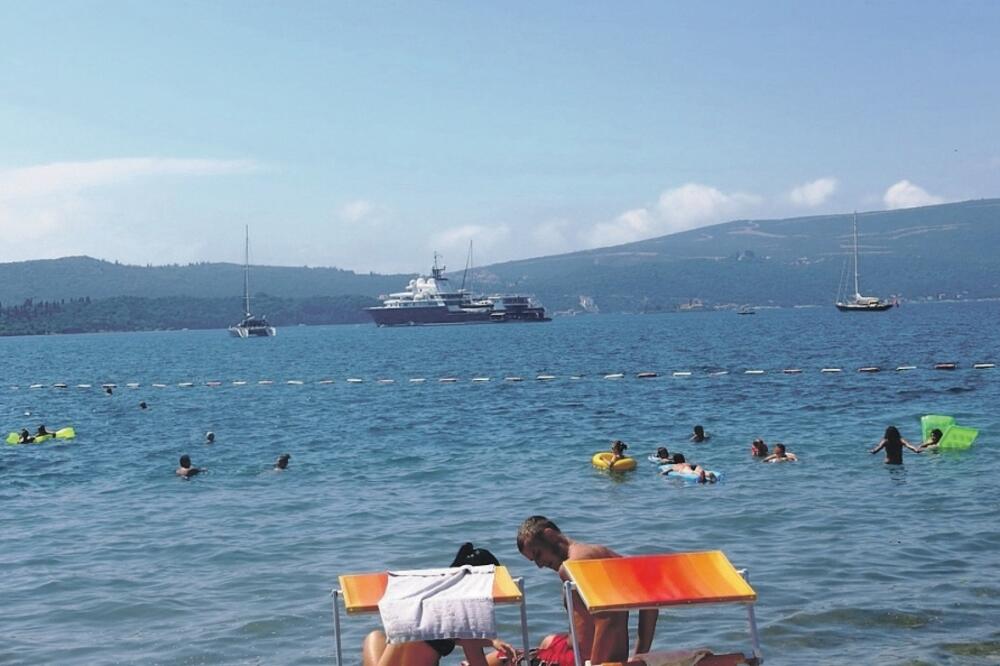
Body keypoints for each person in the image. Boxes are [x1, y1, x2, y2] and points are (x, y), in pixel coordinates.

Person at [516, 516, 657, 665]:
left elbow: (607, 617)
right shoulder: (604, 553)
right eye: (534, 561)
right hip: (579, 648)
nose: (539, 565)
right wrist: (641, 655)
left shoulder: (570, 567)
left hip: (583, 658)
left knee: (509, 660)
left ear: (550, 535)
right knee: (548, 641)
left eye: (538, 554)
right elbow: (651, 598)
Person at [361, 543, 517, 666]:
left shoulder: (428, 597)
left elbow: (453, 637)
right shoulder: (465, 611)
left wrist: (491, 641)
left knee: (374, 636)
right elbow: (476, 659)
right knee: (499, 659)